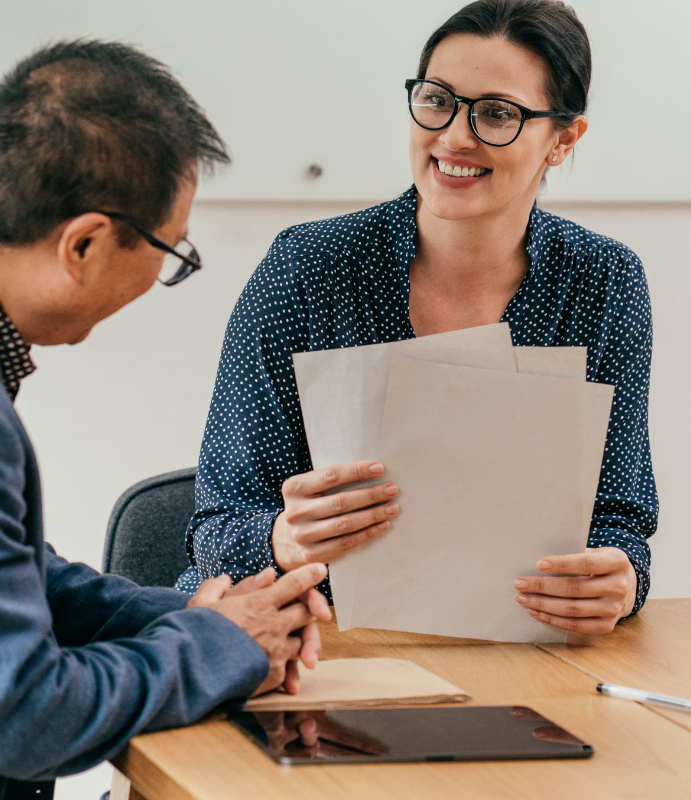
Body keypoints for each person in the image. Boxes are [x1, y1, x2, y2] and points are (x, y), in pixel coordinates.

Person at [0, 40, 332, 800]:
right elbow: (17, 715)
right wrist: (217, 645)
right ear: (86, 242)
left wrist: (210, 616)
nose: (165, 275)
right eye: (170, 250)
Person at [182, 0, 657, 636]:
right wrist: (280, 538)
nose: (455, 136)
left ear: (563, 139)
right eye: (437, 100)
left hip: (514, 648)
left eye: (497, 113)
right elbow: (215, 529)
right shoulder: (309, 269)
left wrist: (620, 581)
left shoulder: (603, 282)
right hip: (309, 642)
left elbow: (620, 520)